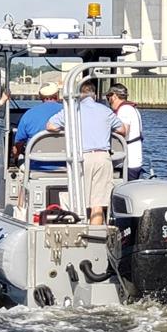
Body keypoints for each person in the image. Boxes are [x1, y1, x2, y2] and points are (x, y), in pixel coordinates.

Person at [46, 80, 123, 225]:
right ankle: (96, 236)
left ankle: (79, 233)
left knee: (79, 200)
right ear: (94, 95)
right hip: (103, 157)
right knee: (98, 204)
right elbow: (123, 130)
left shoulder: (72, 110)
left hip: (82, 158)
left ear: (79, 95)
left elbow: (50, 126)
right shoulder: (105, 110)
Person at [12, 81, 63, 172]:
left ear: (40, 96)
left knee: (18, 158)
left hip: (36, 168)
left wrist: (15, 156)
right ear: (57, 95)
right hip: (67, 166)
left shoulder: (29, 115)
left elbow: (18, 145)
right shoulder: (69, 112)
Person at [105, 83, 144, 180]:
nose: (108, 100)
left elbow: (124, 131)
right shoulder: (131, 108)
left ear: (114, 96)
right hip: (132, 159)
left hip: (129, 161)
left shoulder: (124, 110)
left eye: (108, 97)